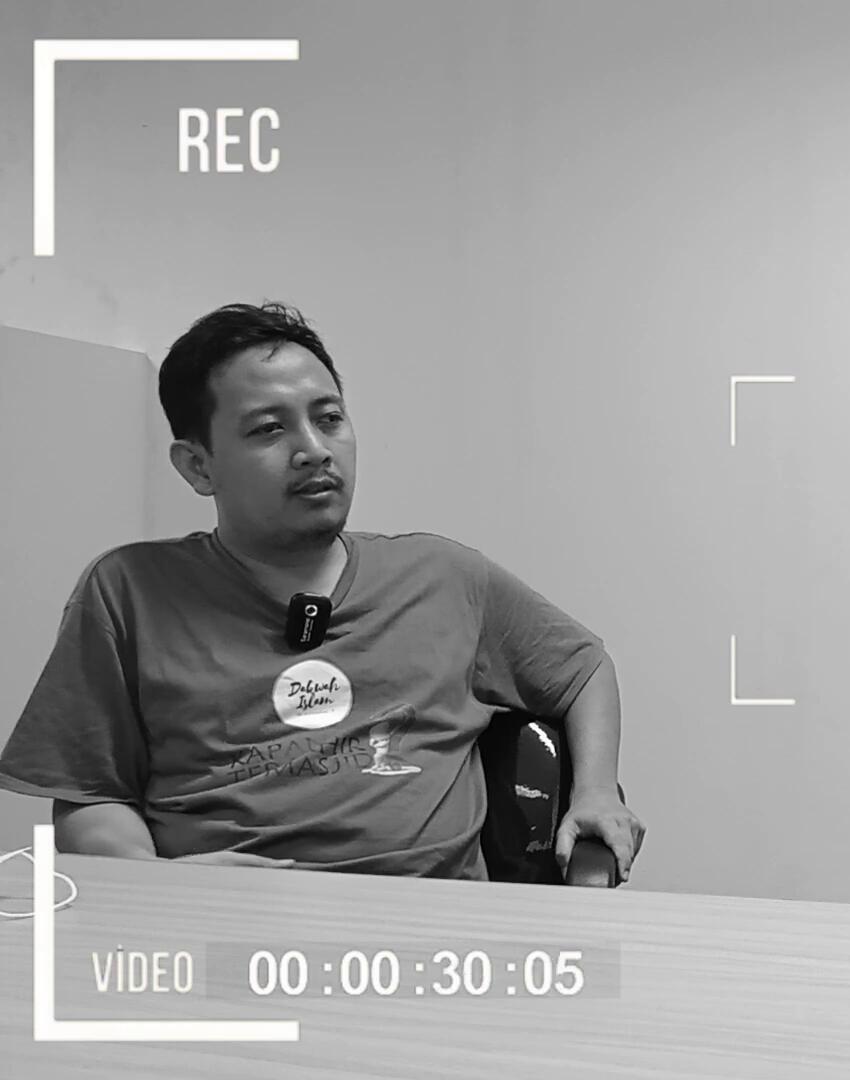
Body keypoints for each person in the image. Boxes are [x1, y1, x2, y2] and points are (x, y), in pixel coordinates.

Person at [0, 302, 644, 882]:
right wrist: (164, 884)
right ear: (198, 465)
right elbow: (90, 799)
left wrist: (595, 792)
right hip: (218, 934)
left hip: (427, 939)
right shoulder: (129, 591)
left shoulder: (446, 577)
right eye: (268, 429)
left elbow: (582, 669)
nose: (313, 450)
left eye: (329, 418)